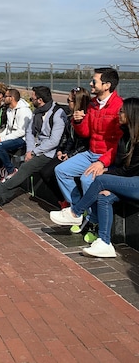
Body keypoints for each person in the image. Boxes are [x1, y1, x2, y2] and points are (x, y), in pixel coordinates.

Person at [50, 97, 139, 258]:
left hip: (136, 182)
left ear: (132, 114)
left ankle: (75, 213)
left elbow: (129, 171)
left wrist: (106, 174)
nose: (119, 113)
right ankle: (105, 243)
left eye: (122, 111)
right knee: (103, 196)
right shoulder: (125, 136)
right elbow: (121, 166)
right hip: (128, 181)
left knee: (100, 179)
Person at [54, 67, 123, 242]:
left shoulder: (119, 107)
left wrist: (102, 162)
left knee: (87, 179)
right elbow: (85, 133)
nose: (90, 84)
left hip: (106, 158)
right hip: (90, 153)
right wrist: (78, 121)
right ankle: (78, 210)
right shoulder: (92, 104)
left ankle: (93, 221)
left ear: (106, 85)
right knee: (61, 171)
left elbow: (119, 144)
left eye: (94, 81)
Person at [0, 86, 67, 207]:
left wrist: (34, 152)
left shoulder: (57, 113)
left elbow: (54, 141)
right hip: (37, 147)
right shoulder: (37, 112)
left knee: (25, 168)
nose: (31, 100)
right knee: (24, 170)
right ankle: (0, 199)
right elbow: (29, 132)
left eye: (32, 98)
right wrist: (29, 150)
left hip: (50, 152)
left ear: (40, 100)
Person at [39, 87, 90, 204]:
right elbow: (66, 137)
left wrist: (70, 155)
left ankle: (74, 203)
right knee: (45, 172)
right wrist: (61, 150)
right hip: (69, 152)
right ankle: (64, 200)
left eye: (69, 101)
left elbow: (86, 143)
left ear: (78, 102)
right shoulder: (70, 117)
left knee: (53, 171)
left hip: (79, 154)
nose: (67, 104)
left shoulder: (85, 119)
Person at [0, 88, 32, 180]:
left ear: (11, 98)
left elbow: (22, 131)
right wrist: (0, 136)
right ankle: (0, 168)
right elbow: (8, 128)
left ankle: (11, 171)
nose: (4, 98)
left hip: (22, 139)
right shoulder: (9, 110)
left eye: (6, 96)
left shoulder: (24, 111)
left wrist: (2, 139)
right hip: (11, 135)